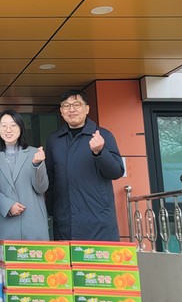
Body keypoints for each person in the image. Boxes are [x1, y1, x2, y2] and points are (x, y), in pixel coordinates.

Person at [45, 89, 125, 241]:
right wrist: (50, 210)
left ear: (87, 109)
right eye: (66, 106)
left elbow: (116, 172)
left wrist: (100, 152)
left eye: (76, 104)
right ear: (61, 111)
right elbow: (50, 179)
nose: (71, 109)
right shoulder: (54, 140)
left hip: (98, 218)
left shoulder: (103, 135)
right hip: (65, 218)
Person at [0, 110, 49, 259]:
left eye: (13, 125)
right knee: (5, 266)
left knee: (35, 266)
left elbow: (42, 188)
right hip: (4, 222)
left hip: (32, 221)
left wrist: (37, 165)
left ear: (21, 128)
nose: (8, 130)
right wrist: (7, 205)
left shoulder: (34, 153)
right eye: (4, 126)